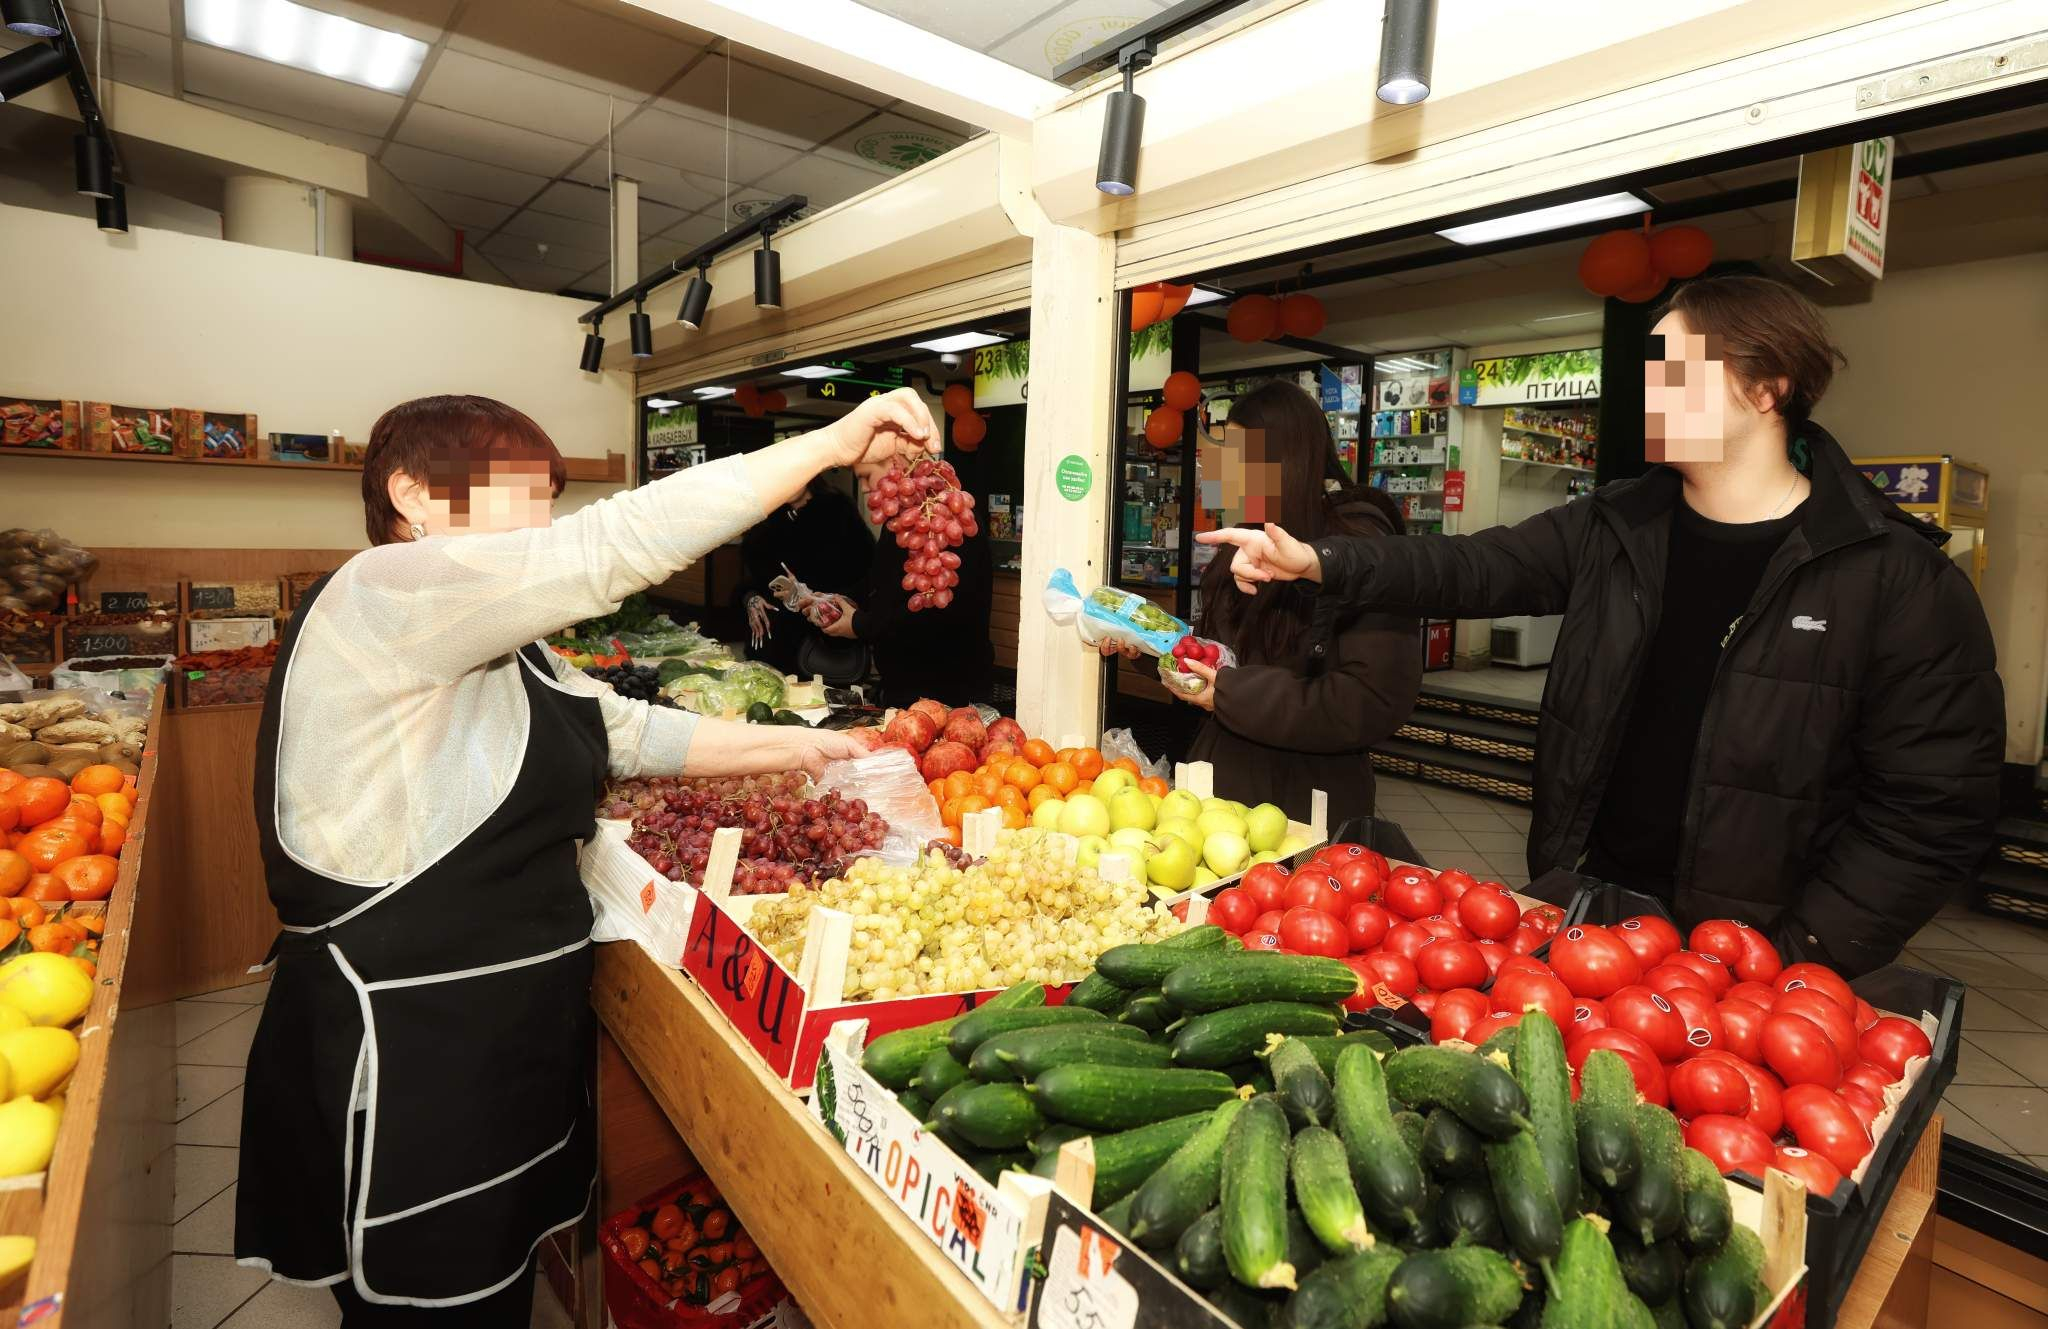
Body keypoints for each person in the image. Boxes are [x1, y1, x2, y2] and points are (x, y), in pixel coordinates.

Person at [235, 389, 936, 1323]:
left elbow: (625, 731)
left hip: (498, 1034)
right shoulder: (382, 595)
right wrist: (830, 444)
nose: (542, 520)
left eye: (547, 496)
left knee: (496, 1292)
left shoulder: (503, 645)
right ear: (410, 494)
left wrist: (812, 748)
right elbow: (607, 548)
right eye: (515, 491)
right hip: (409, 1048)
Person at [1199, 275, 2002, 976]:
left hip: (1757, 957)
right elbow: (1468, 567)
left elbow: (1930, 810)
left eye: (1676, 374)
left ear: (1767, 390)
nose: (1648, 393)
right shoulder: (1617, 525)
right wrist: (1320, 561)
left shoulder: (1894, 576)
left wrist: (1803, 952)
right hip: (1591, 915)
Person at [1153, 380, 1423, 827]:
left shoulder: (1357, 554)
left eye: (1238, 456)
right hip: (1219, 787)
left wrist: (1231, 694)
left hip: (1306, 804)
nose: (1221, 473)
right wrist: (1158, 648)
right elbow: (1224, 655)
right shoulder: (1242, 544)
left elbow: (1369, 699)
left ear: (1282, 463)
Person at [819, 466, 995, 708]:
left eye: (865, 475)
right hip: (906, 683)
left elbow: (935, 611)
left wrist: (859, 625)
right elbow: (883, 581)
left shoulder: (945, 519)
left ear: (894, 463)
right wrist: (840, 599)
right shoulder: (904, 517)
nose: (865, 487)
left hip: (945, 690)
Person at [736, 475, 873, 676]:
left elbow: (866, 575)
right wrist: (750, 598)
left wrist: (819, 598)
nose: (788, 482)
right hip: (772, 642)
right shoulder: (765, 524)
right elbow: (751, 581)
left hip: (823, 643)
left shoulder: (838, 512)